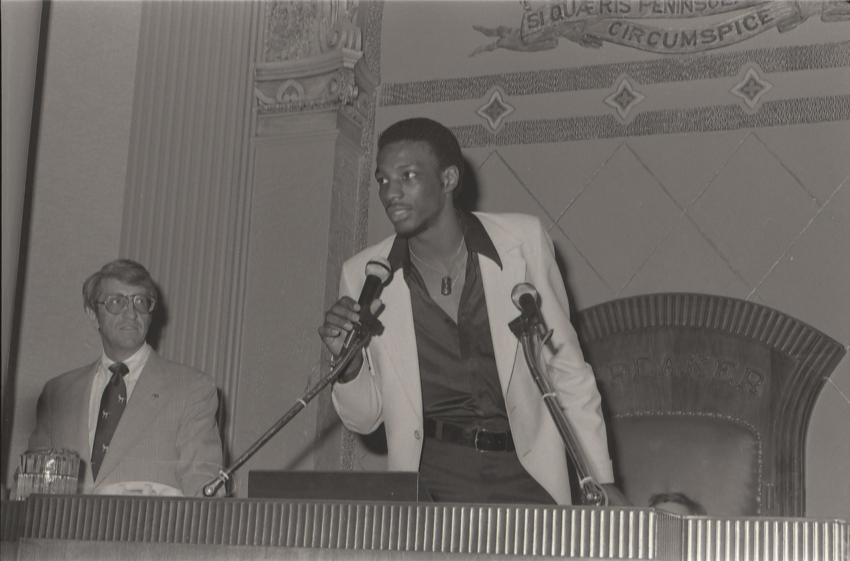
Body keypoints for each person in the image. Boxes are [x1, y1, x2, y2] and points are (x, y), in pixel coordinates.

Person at [319, 118, 628, 505]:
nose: (390, 193)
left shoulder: (523, 241)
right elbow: (364, 419)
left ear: (448, 179)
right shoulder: (364, 274)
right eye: (382, 179)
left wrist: (599, 477)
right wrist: (346, 364)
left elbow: (567, 371)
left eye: (407, 176)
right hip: (430, 484)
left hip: (528, 473)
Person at [26, 259, 223, 496]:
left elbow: (205, 494)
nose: (130, 313)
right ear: (92, 315)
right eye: (116, 302)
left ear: (151, 314)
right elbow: (33, 492)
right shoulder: (56, 393)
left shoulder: (191, 389)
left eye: (140, 302)